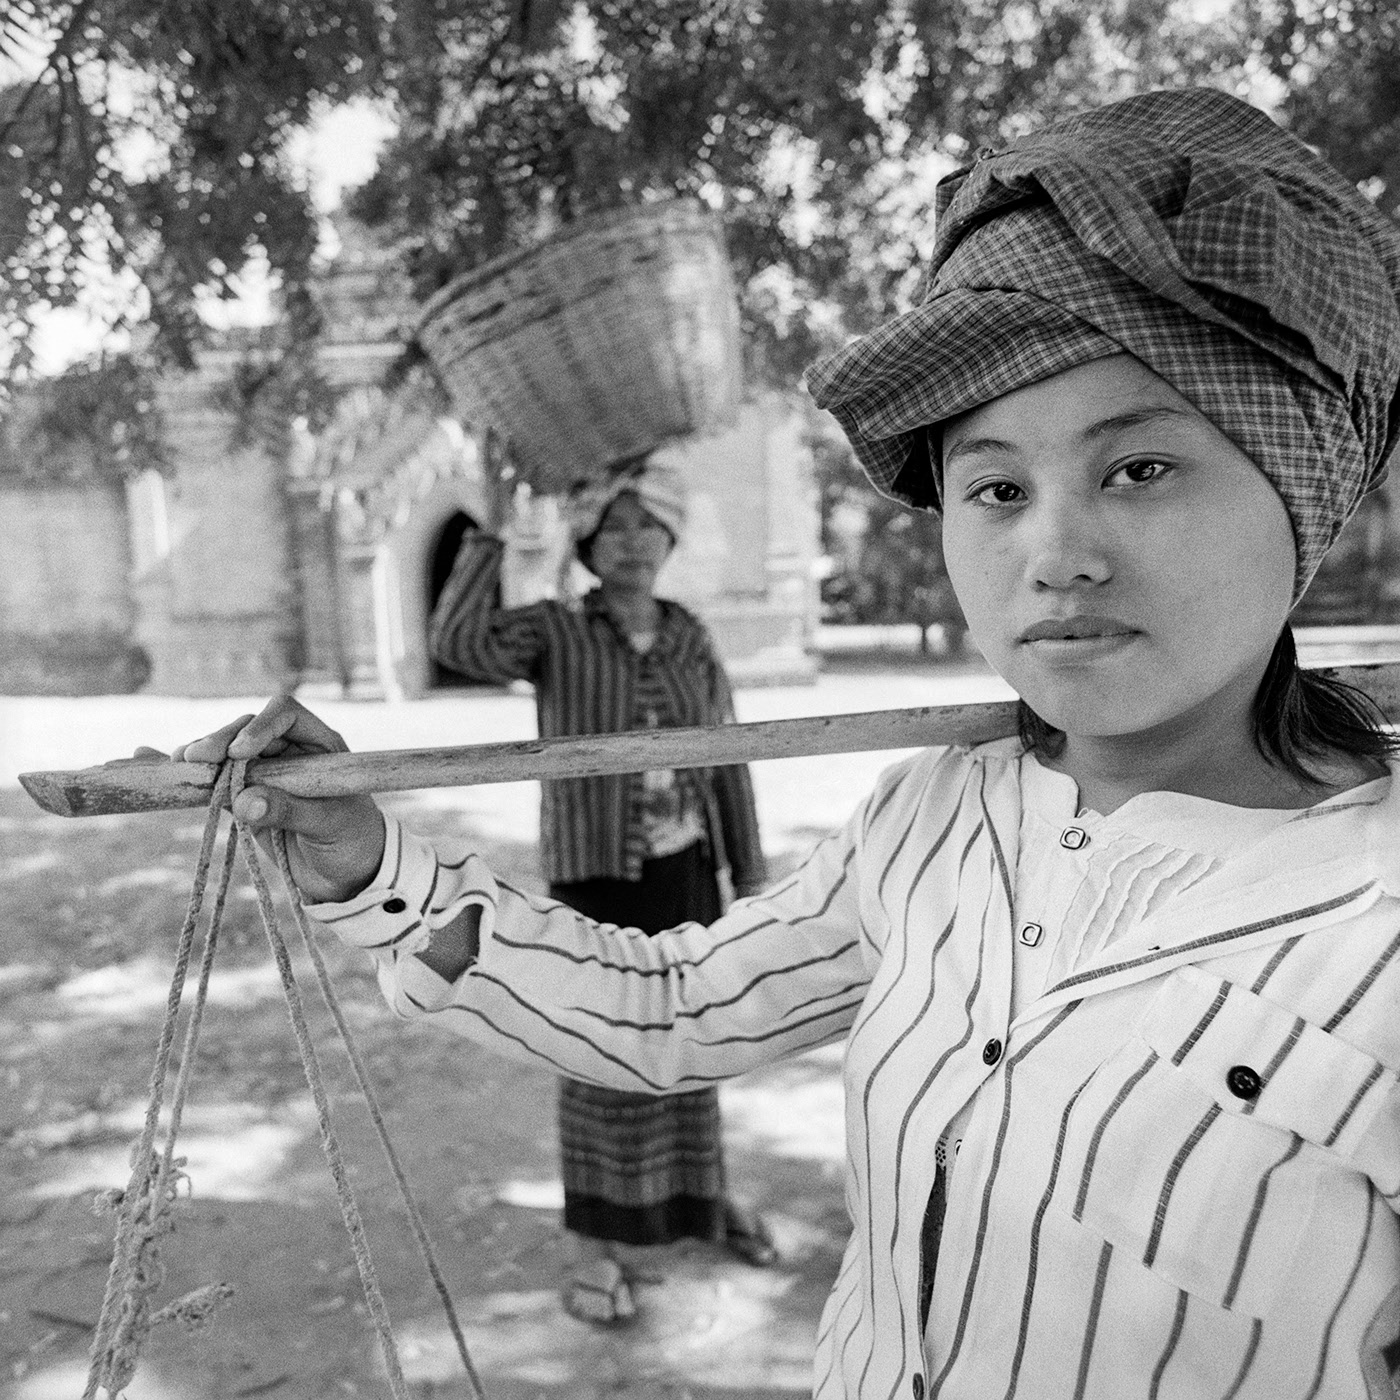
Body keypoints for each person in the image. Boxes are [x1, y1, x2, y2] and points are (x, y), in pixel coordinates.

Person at [167, 89, 1400, 1398]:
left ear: (1303, 492)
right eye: (993, 489)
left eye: (1139, 468)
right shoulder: (932, 821)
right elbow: (671, 1008)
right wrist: (369, 867)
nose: (1056, 558)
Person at [426, 455, 774, 1322]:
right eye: (612, 526)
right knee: (594, 1048)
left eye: (645, 525)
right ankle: (596, 1241)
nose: (630, 541)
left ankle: (701, 1203)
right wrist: (496, 534)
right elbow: (458, 644)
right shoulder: (555, 630)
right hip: (597, 877)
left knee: (695, 1039)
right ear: (586, 542)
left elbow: (723, 748)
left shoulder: (691, 631)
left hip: (688, 872)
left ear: (668, 538)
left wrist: (749, 869)